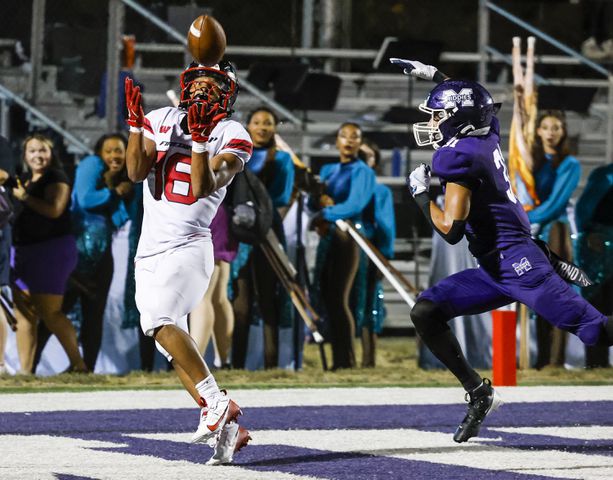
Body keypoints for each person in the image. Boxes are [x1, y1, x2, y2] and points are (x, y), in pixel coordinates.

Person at [391, 58, 612, 443]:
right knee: (426, 311)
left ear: (457, 119)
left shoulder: (455, 156)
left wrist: (420, 194)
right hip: (497, 266)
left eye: (438, 114)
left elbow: (451, 231)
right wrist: (438, 77)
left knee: (597, 332)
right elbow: (475, 101)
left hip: (520, 265)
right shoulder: (486, 132)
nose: (432, 122)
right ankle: (479, 393)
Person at [124, 59, 252, 464]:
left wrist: (198, 140)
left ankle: (217, 403)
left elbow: (201, 187)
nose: (201, 89)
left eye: (212, 84)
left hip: (189, 245)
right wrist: (134, 125)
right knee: (172, 343)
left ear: (227, 94)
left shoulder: (232, 133)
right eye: (196, 80)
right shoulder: (162, 117)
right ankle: (229, 431)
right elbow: (134, 170)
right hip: (149, 248)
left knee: (159, 321)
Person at [33, 133, 142, 372]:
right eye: (109, 150)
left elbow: (124, 217)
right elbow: (85, 199)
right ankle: (29, 365)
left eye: (119, 150)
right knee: (56, 312)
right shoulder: (91, 164)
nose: (115, 155)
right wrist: (113, 192)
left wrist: (123, 189)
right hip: (77, 255)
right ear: (99, 153)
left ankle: (85, 368)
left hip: (103, 257)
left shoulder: (123, 177)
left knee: (94, 315)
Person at [11, 134, 87, 374]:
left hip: (51, 251)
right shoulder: (22, 179)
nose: (37, 155)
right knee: (23, 314)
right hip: (22, 250)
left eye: (42, 150)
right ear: (24, 155)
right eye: (32, 151)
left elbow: (54, 210)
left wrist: (24, 197)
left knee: (50, 313)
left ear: (51, 153)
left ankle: (78, 364)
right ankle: (25, 372)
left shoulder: (57, 177)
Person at [231, 107, 294, 369]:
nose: (262, 128)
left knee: (268, 299)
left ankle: (271, 365)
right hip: (241, 232)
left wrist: (261, 213)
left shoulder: (282, 159)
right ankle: (236, 365)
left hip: (268, 231)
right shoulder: (237, 156)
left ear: (274, 128)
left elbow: (282, 196)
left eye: (267, 123)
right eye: (257, 122)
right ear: (248, 126)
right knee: (241, 302)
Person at [310, 122, 376, 370]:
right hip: (327, 237)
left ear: (360, 143)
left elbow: (354, 205)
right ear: (337, 141)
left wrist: (324, 212)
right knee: (327, 297)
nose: (348, 141)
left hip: (348, 238)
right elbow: (312, 204)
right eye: (344, 136)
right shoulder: (328, 169)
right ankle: (336, 359)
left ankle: (345, 360)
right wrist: (316, 203)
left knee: (340, 298)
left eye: (354, 137)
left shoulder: (363, 171)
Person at [528, 110, 581, 369]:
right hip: (534, 233)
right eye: (546, 127)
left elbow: (555, 204)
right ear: (538, 131)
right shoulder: (530, 161)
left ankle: (556, 359)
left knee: (558, 295)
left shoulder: (570, 164)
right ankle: (539, 359)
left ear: (563, 132)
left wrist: (525, 217)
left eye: (556, 128)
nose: (551, 132)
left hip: (555, 233)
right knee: (538, 297)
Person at [355, 140, 396, 367]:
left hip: (370, 252)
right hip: (348, 250)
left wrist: (385, 257)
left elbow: (386, 226)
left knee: (370, 302)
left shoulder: (379, 190)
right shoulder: (345, 186)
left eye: (367, 156)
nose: (362, 160)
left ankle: (368, 358)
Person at [189, 198, 238, 369]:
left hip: (204, 213)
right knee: (218, 296)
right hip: (219, 212)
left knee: (202, 297)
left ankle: (194, 365)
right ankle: (224, 361)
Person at [575, 163, 613, 368]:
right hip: (599, 247)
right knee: (598, 303)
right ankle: (596, 362)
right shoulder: (605, 176)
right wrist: (589, 233)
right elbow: (583, 209)